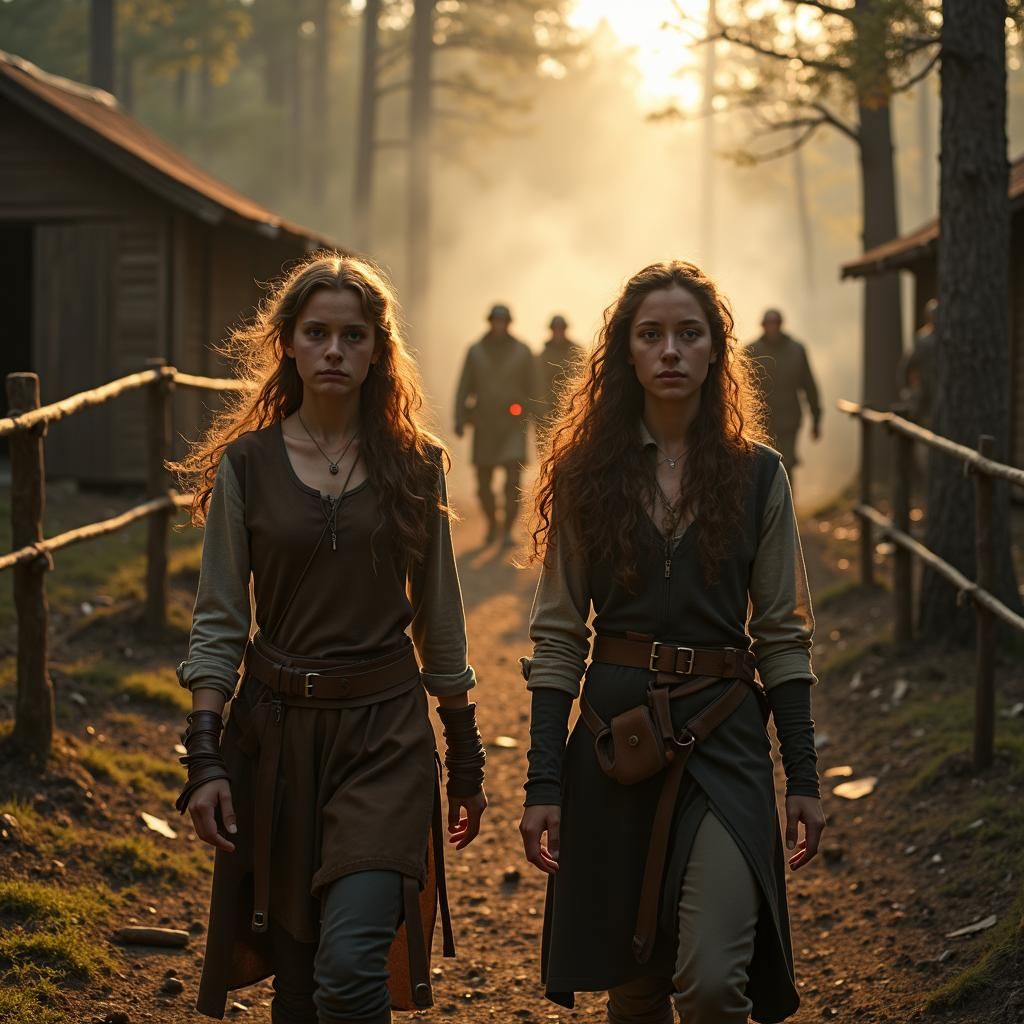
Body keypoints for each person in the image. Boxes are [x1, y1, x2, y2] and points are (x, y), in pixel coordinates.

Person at [173, 253, 487, 1024]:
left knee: (350, 970)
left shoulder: (418, 466)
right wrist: (205, 753)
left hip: (385, 737)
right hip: (275, 742)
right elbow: (219, 619)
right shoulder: (246, 464)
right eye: (317, 333)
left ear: (379, 349)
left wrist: (467, 750)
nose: (335, 351)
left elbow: (439, 619)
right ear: (288, 343)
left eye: (354, 335)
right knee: (299, 981)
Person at [519, 262, 825, 1024]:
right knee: (634, 987)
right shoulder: (587, 473)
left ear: (716, 351)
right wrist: (543, 784)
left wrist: (807, 778)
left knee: (716, 984)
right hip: (614, 741)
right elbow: (558, 637)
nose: (670, 350)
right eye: (650, 334)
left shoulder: (760, 477)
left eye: (690, 334)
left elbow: (783, 635)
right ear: (625, 352)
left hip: (723, 740)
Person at [454, 304, 535, 546]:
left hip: (513, 424)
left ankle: (508, 529)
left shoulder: (523, 352)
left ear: (509, 323)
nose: (499, 325)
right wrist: (460, 417)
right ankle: (492, 524)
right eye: (496, 321)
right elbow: (464, 386)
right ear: (490, 322)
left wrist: (536, 418)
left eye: (503, 321)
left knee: (513, 482)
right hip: (484, 424)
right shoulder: (475, 352)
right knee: (483, 484)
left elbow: (534, 389)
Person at [744, 309, 821, 485]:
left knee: (786, 464)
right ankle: (764, 508)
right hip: (760, 421)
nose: (772, 328)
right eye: (768, 324)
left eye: (775, 323)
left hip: (789, 419)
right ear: (763, 326)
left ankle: (786, 506)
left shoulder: (796, 350)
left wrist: (816, 418)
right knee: (761, 465)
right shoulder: (751, 352)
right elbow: (741, 389)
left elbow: (809, 385)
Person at [533, 315, 585, 444]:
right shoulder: (542, 356)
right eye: (555, 329)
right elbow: (536, 384)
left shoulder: (577, 352)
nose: (558, 332)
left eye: (560, 329)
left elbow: (584, 378)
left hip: (572, 408)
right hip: (547, 410)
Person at [900, 298, 938, 429]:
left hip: (939, 390)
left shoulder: (945, 339)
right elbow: (908, 364)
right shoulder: (922, 339)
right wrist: (905, 389)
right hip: (924, 391)